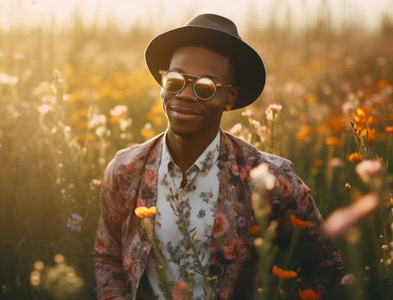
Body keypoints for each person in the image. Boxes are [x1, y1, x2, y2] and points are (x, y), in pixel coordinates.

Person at [93, 14, 342, 300]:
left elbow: (324, 262)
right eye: (175, 80)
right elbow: (107, 256)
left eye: (205, 87)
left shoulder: (270, 179)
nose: (185, 94)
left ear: (230, 98)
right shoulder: (126, 169)